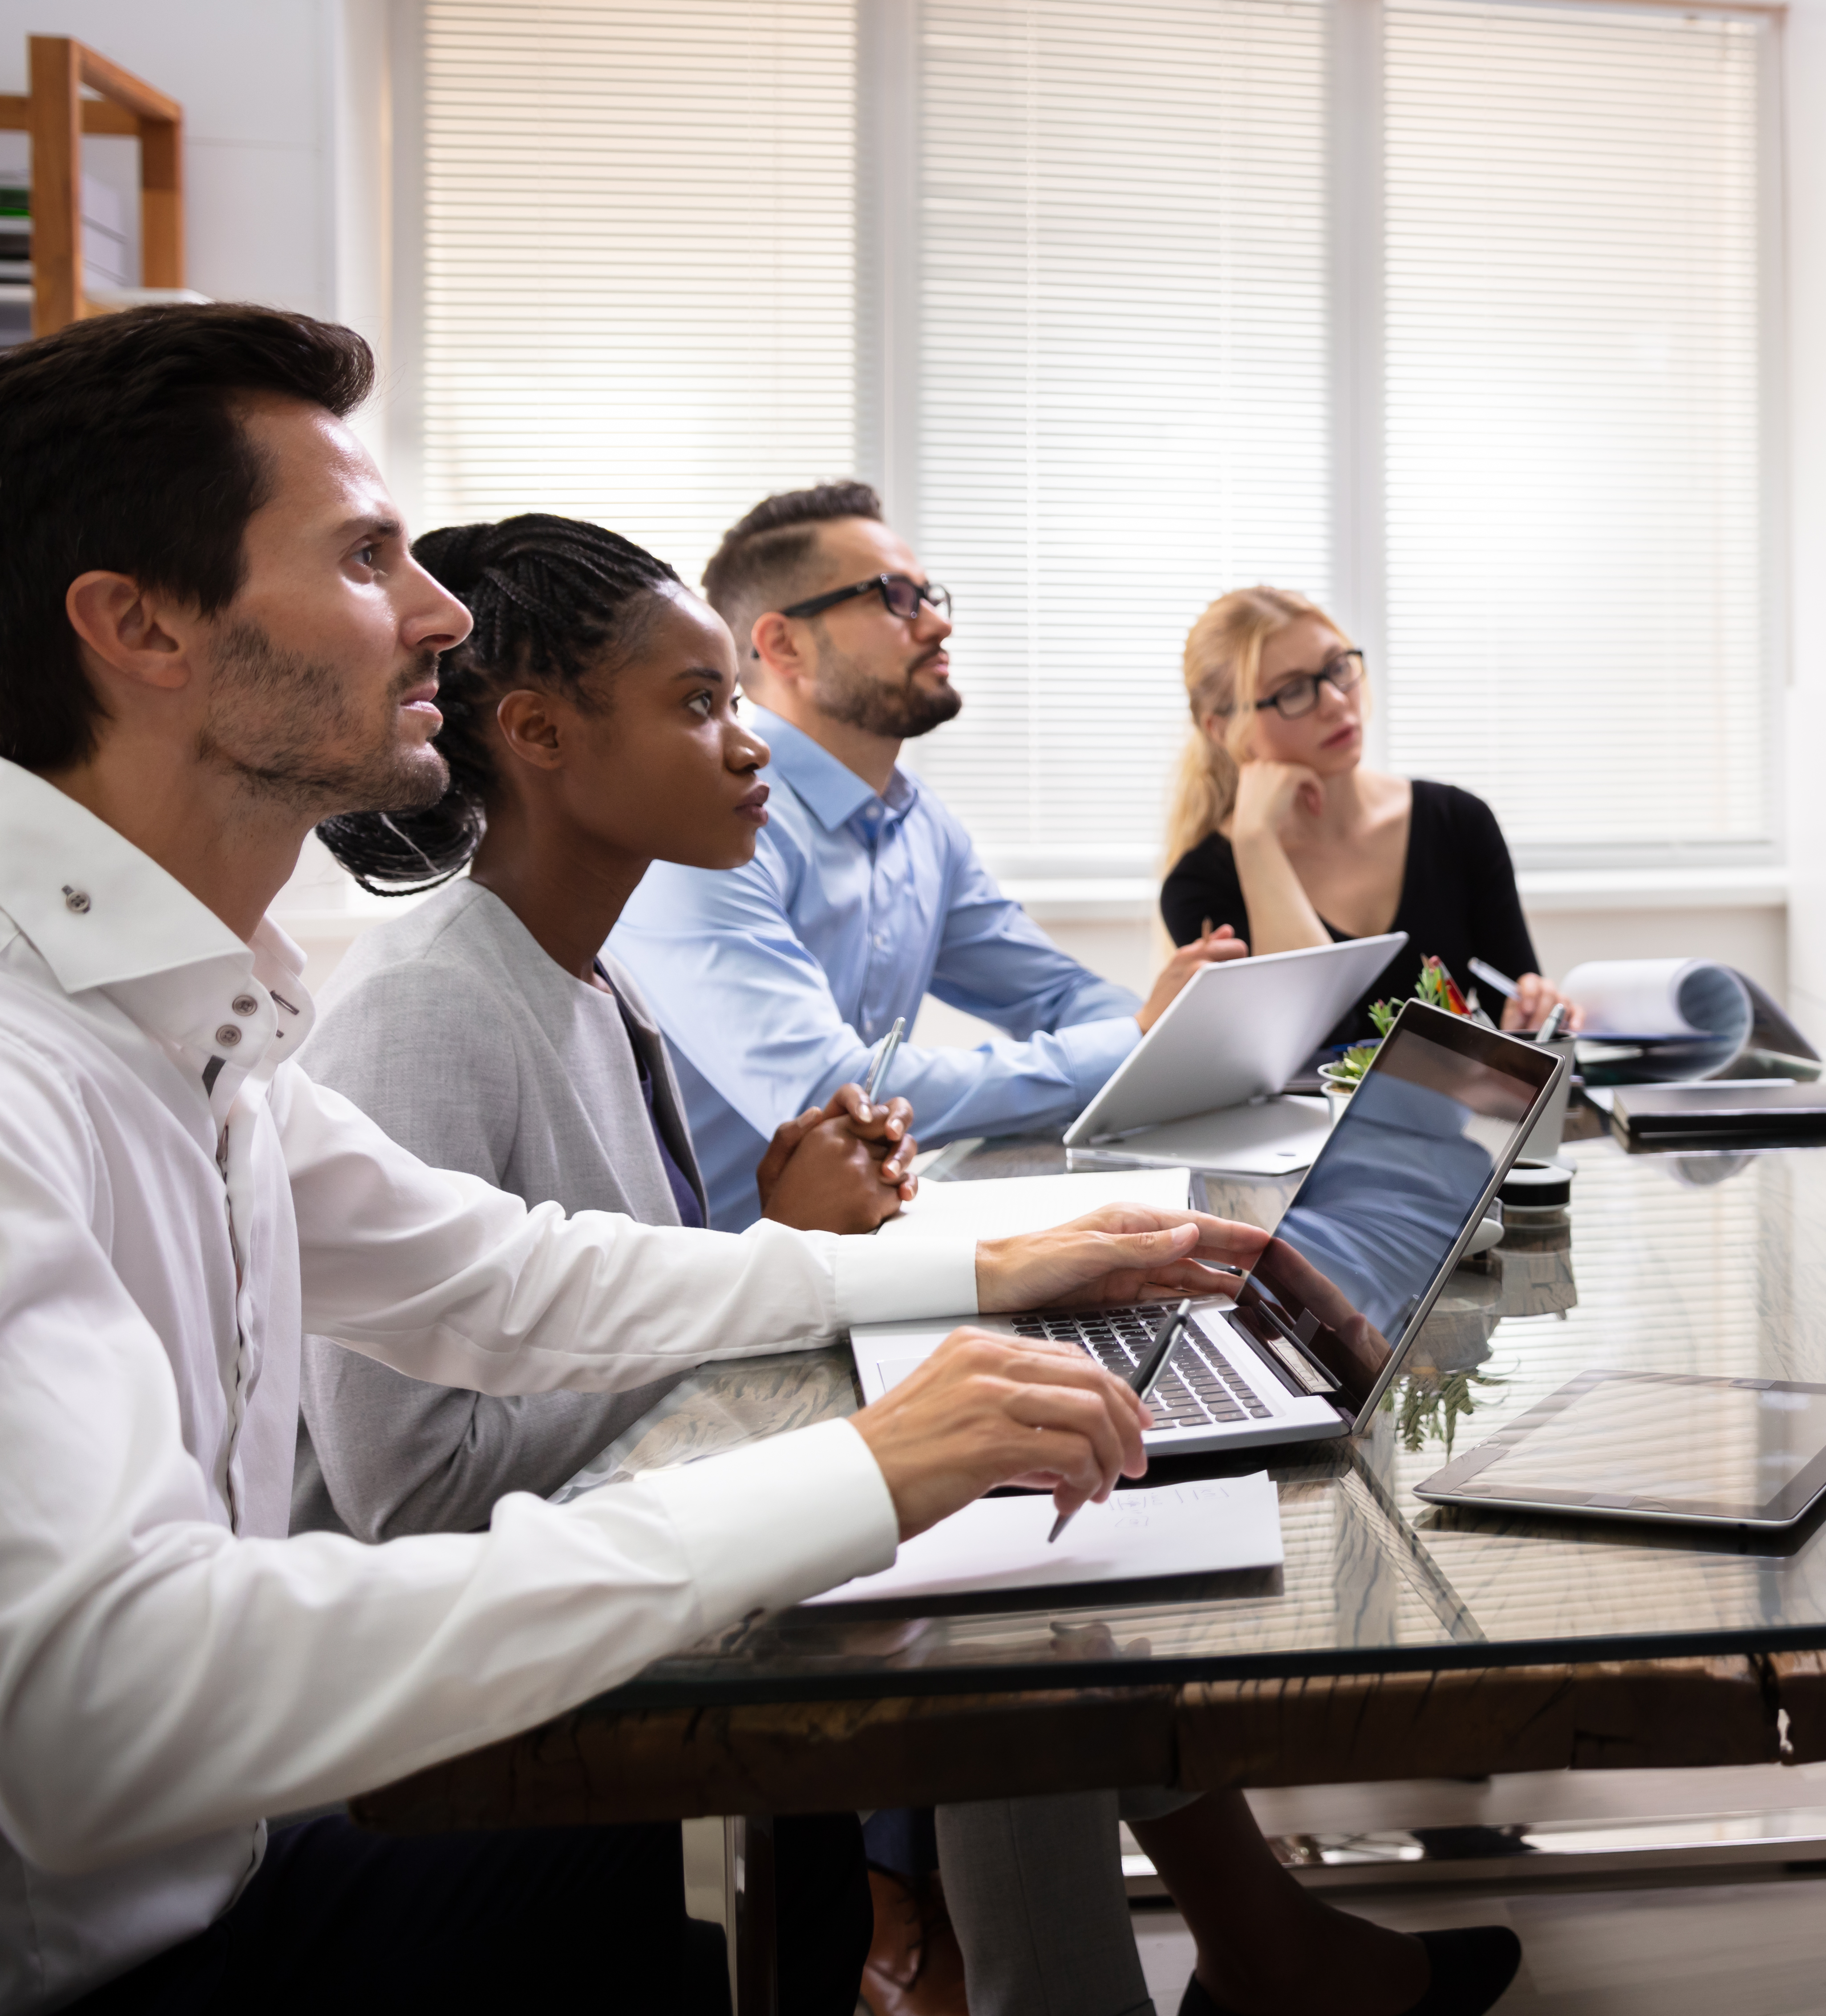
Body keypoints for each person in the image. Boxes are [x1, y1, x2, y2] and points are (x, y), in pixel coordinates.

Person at [0, 302, 1266, 2016]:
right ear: (137, 624)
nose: (438, 610)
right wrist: (858, 1472)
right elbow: (96, 1710)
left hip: (228, 1866)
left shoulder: (188, 1022)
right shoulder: (37, 1063)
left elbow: (511, 1273)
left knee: (815, 1782)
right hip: (114, 1958)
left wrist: (983, 1269)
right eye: (368, 554)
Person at [297, 516, 1517, 2016]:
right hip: (475, 1637)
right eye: (701, 705)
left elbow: (649, 1305)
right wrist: (831, 1347)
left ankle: (1215, 1961)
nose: (751, 744)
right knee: (1011, 1554)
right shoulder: (427, 1008)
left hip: (603, 1525)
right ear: (539, 736)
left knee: (1040, 1509)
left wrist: (978, 1280)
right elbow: (410, 1490)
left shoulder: (583, 977)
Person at [609, 483, 1245, 1227]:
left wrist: (1162, 1041)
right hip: (725, 1288)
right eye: (894, 597)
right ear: (783, 645)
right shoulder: (702, 830)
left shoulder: (920, 823)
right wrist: (1133, 1039)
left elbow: (1052, 993)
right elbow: (827, 1089)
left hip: (865, 1247)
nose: (938, 622)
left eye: (930, 595)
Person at [1155, 589, 1569, 1047]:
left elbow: (1513, 1021)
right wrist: (1256, 842)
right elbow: (1308, 1048)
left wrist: (1529, 1015)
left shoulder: (1458, 822)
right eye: (1292, 691)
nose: (1335, 700)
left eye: (1337, 668)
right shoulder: (1201, 885)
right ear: (1222, 729)